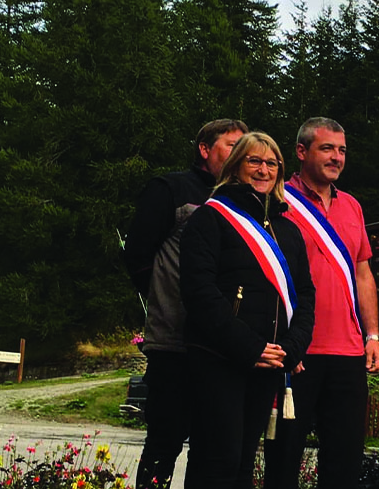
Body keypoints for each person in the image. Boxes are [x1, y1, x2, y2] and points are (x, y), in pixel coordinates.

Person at [179, 132, 316, 489]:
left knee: (243, 465)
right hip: (219, 360)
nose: (263, 169)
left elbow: (305, 295)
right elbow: (200, 293)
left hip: (269, 364)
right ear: (235, 166)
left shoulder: (288, 230)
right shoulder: (210, 219)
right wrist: (249, 346)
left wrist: (291, 348)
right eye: (254, 161)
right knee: (216, 462)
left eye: (272, 163)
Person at [121, 118, 248, 489]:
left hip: (225, 345)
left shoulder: (246, 200)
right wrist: (167, 297)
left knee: (213, 446)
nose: (239, 152)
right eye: (230, 144)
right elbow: (138, 256)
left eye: (244, 145)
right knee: (166, 438)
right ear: (204, 149)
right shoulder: (171, 189)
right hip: (175, 341)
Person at [263, 117, 379, 489]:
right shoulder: (277, 199)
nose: (336, 157)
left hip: (348, 352)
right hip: (296, 351)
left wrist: (373, 335)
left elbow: (363, 273)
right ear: (301, 152)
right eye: (327, 148)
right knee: (283, 459)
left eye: (342, 150)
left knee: (344, 461)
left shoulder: (351, 207)